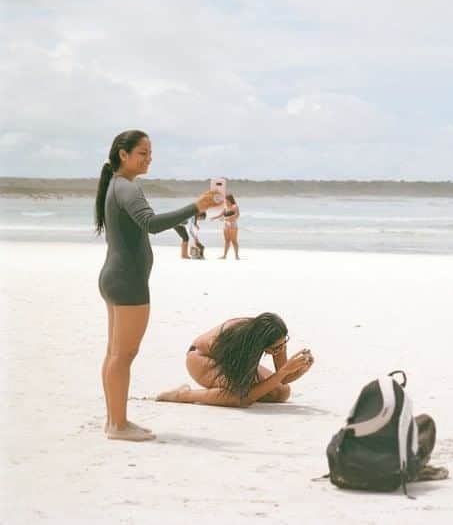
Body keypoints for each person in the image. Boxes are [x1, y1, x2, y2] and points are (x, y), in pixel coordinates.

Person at [95, 130, 217, 441]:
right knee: (123, 355)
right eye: (143, 153)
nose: (149, 159)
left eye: (150, 153)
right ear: (123, 154)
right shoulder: (127, 188)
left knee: (115, 354)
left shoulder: (118, 185)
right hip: (128, 282)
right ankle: (118, 425)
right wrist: (195, 206)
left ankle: (115, 420)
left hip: (115, 277)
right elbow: (151, 224)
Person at [155, 312, 315, 407]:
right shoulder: (240, 340)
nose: (280, 350)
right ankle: (184, 395)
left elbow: (284, 378)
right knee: (237, 399)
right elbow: (245, 398)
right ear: (261, 343)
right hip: (202, 359)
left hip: (229, 361)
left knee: (281, 392)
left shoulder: (276, 336)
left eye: (283, 344)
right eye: (276, 348)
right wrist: (285, 371)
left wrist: (300, 368)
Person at [212, 193, 240, 259]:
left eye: (226, 200)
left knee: (234, 241)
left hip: (233, 226)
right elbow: (221, 215)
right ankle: (224, 255)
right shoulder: (225, 207)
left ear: (230, 199)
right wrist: (215, 217)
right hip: (226, 226)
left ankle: (236, 256)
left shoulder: (235, 206)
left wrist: (227, 218)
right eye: (225, 200)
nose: (225, 201)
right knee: (227, 241)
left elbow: (237, 215)